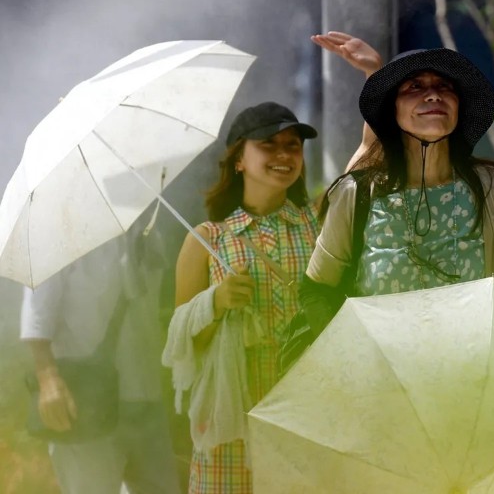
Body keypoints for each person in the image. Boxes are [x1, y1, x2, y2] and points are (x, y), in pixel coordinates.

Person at [301, 33, 494, 336]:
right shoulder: (357, 192)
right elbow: (316, 290)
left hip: (466, 373)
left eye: (444, 86)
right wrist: (344, 356)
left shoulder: (492, 187)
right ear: (392, 111)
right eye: (415, 86)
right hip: (378, 374)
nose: (433, 95)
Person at [163, 101, 319, 494]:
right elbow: (184, 344)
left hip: (305, 414)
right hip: (231, 418)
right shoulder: (206, 240)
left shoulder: (317, 226)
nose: (284, 155)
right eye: (269, 144)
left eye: (293, 145)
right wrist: (215, 303)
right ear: (238, 160)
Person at [20, 225, 181, 494]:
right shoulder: (56, 238)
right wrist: (48, 380)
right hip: (86, 406)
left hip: (147, 400)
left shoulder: (151, 233)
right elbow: (37, 316)